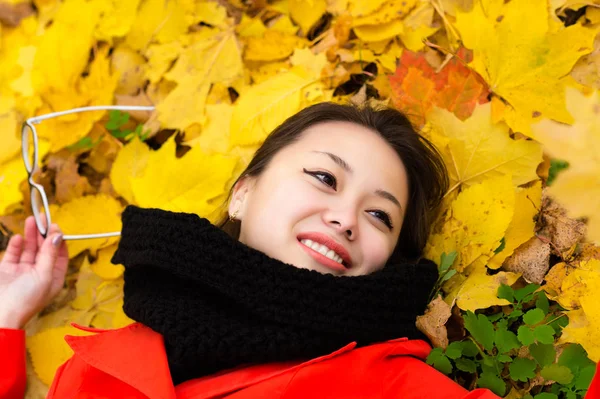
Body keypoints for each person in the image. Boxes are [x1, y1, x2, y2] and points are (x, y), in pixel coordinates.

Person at [0, 102, 597, 399]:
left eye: (379, 215)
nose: (344, 217)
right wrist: (7, 323)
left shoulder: (385, 385)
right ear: (243, 194)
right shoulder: (96, 365)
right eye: (324, 178)